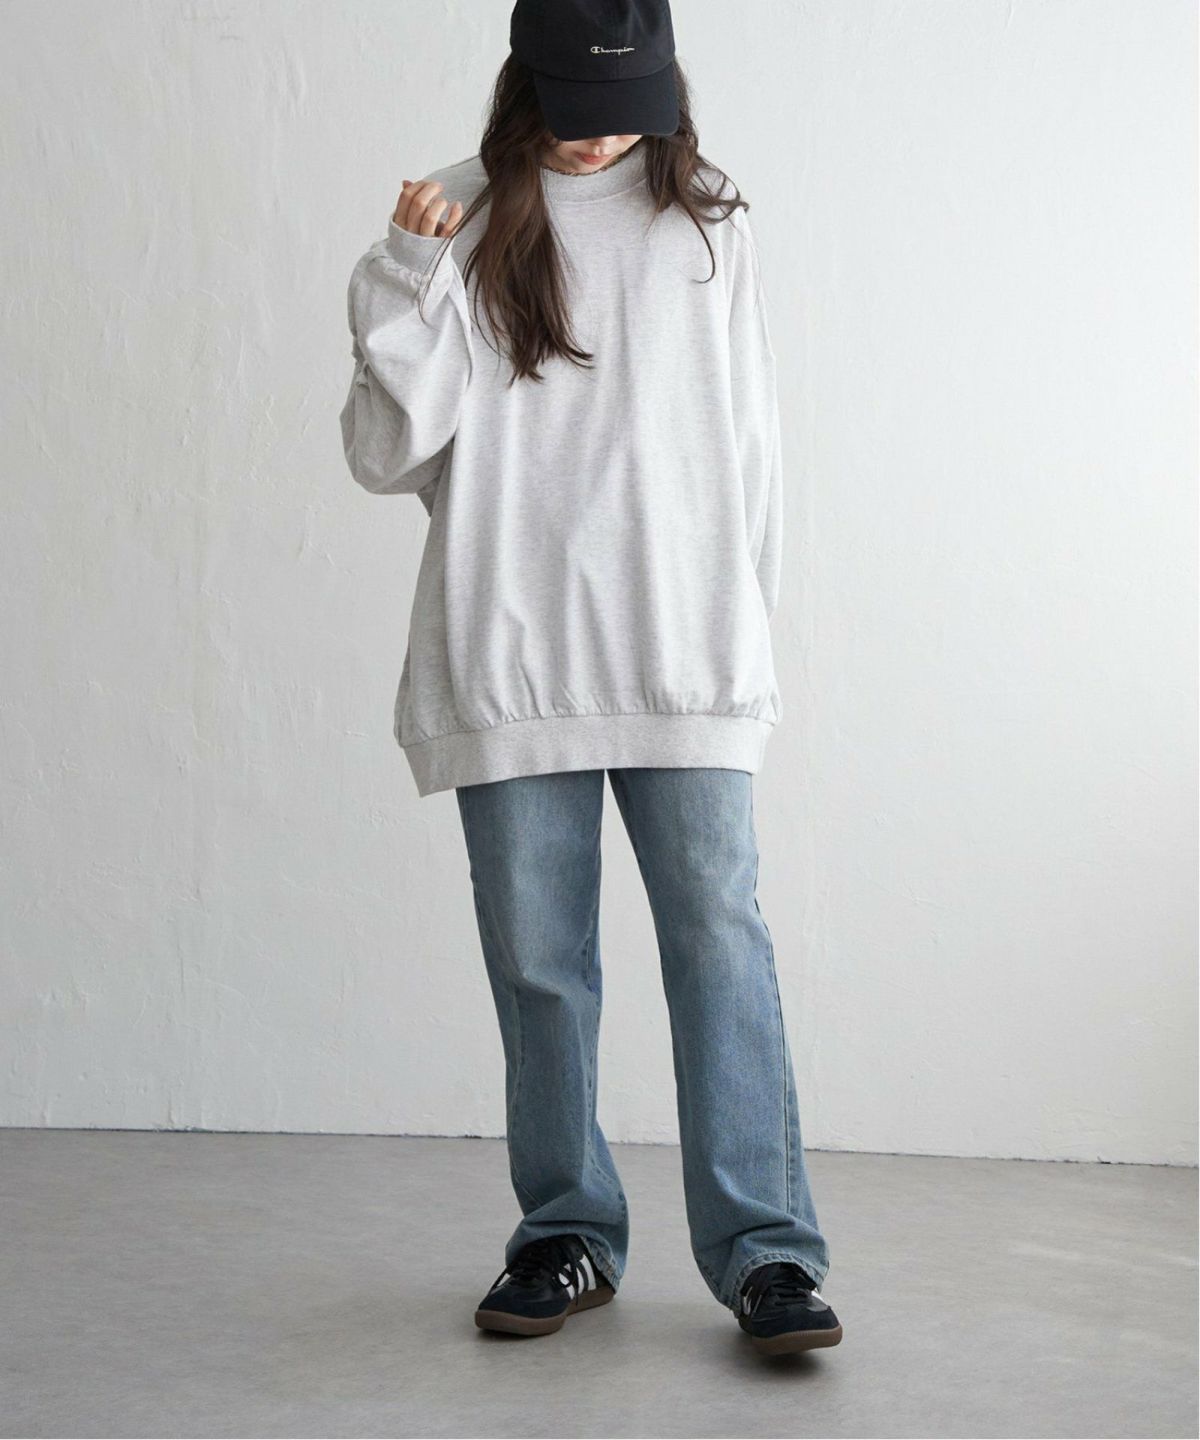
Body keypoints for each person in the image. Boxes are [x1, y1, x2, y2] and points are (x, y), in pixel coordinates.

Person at [339, 0, 841, 1357]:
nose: (601, 135)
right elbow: (387, 457)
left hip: (684, 655)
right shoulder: (452, 217)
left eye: (627, 108)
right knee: (540, 965)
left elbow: (752, 448)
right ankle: (565, 1231)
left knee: (720, 947)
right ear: (526, 84)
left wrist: (746, 642)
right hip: (511, 654)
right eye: (576, 105)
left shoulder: (709, 222)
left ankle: (768, 1253)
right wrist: (402, 277)